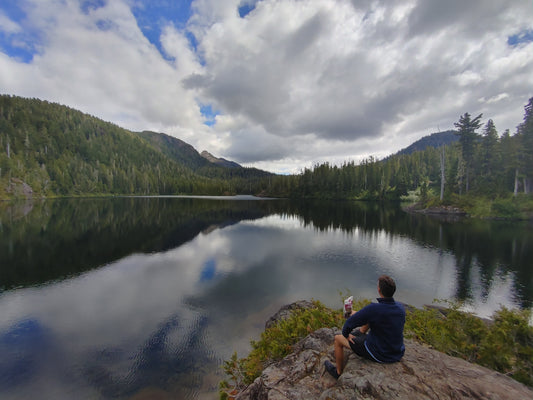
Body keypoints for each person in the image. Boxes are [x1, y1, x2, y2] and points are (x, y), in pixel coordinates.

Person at [324, 275, 405, 379]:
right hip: (397, 352)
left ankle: (338, 372)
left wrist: (346, 335)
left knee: (338, 339)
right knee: (370, 318)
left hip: (379, 353)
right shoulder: (400, 308)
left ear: (379, 289)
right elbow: (376, 316)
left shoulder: (374, 308)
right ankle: (361, 332)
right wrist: (355, 314)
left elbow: (348, 324)